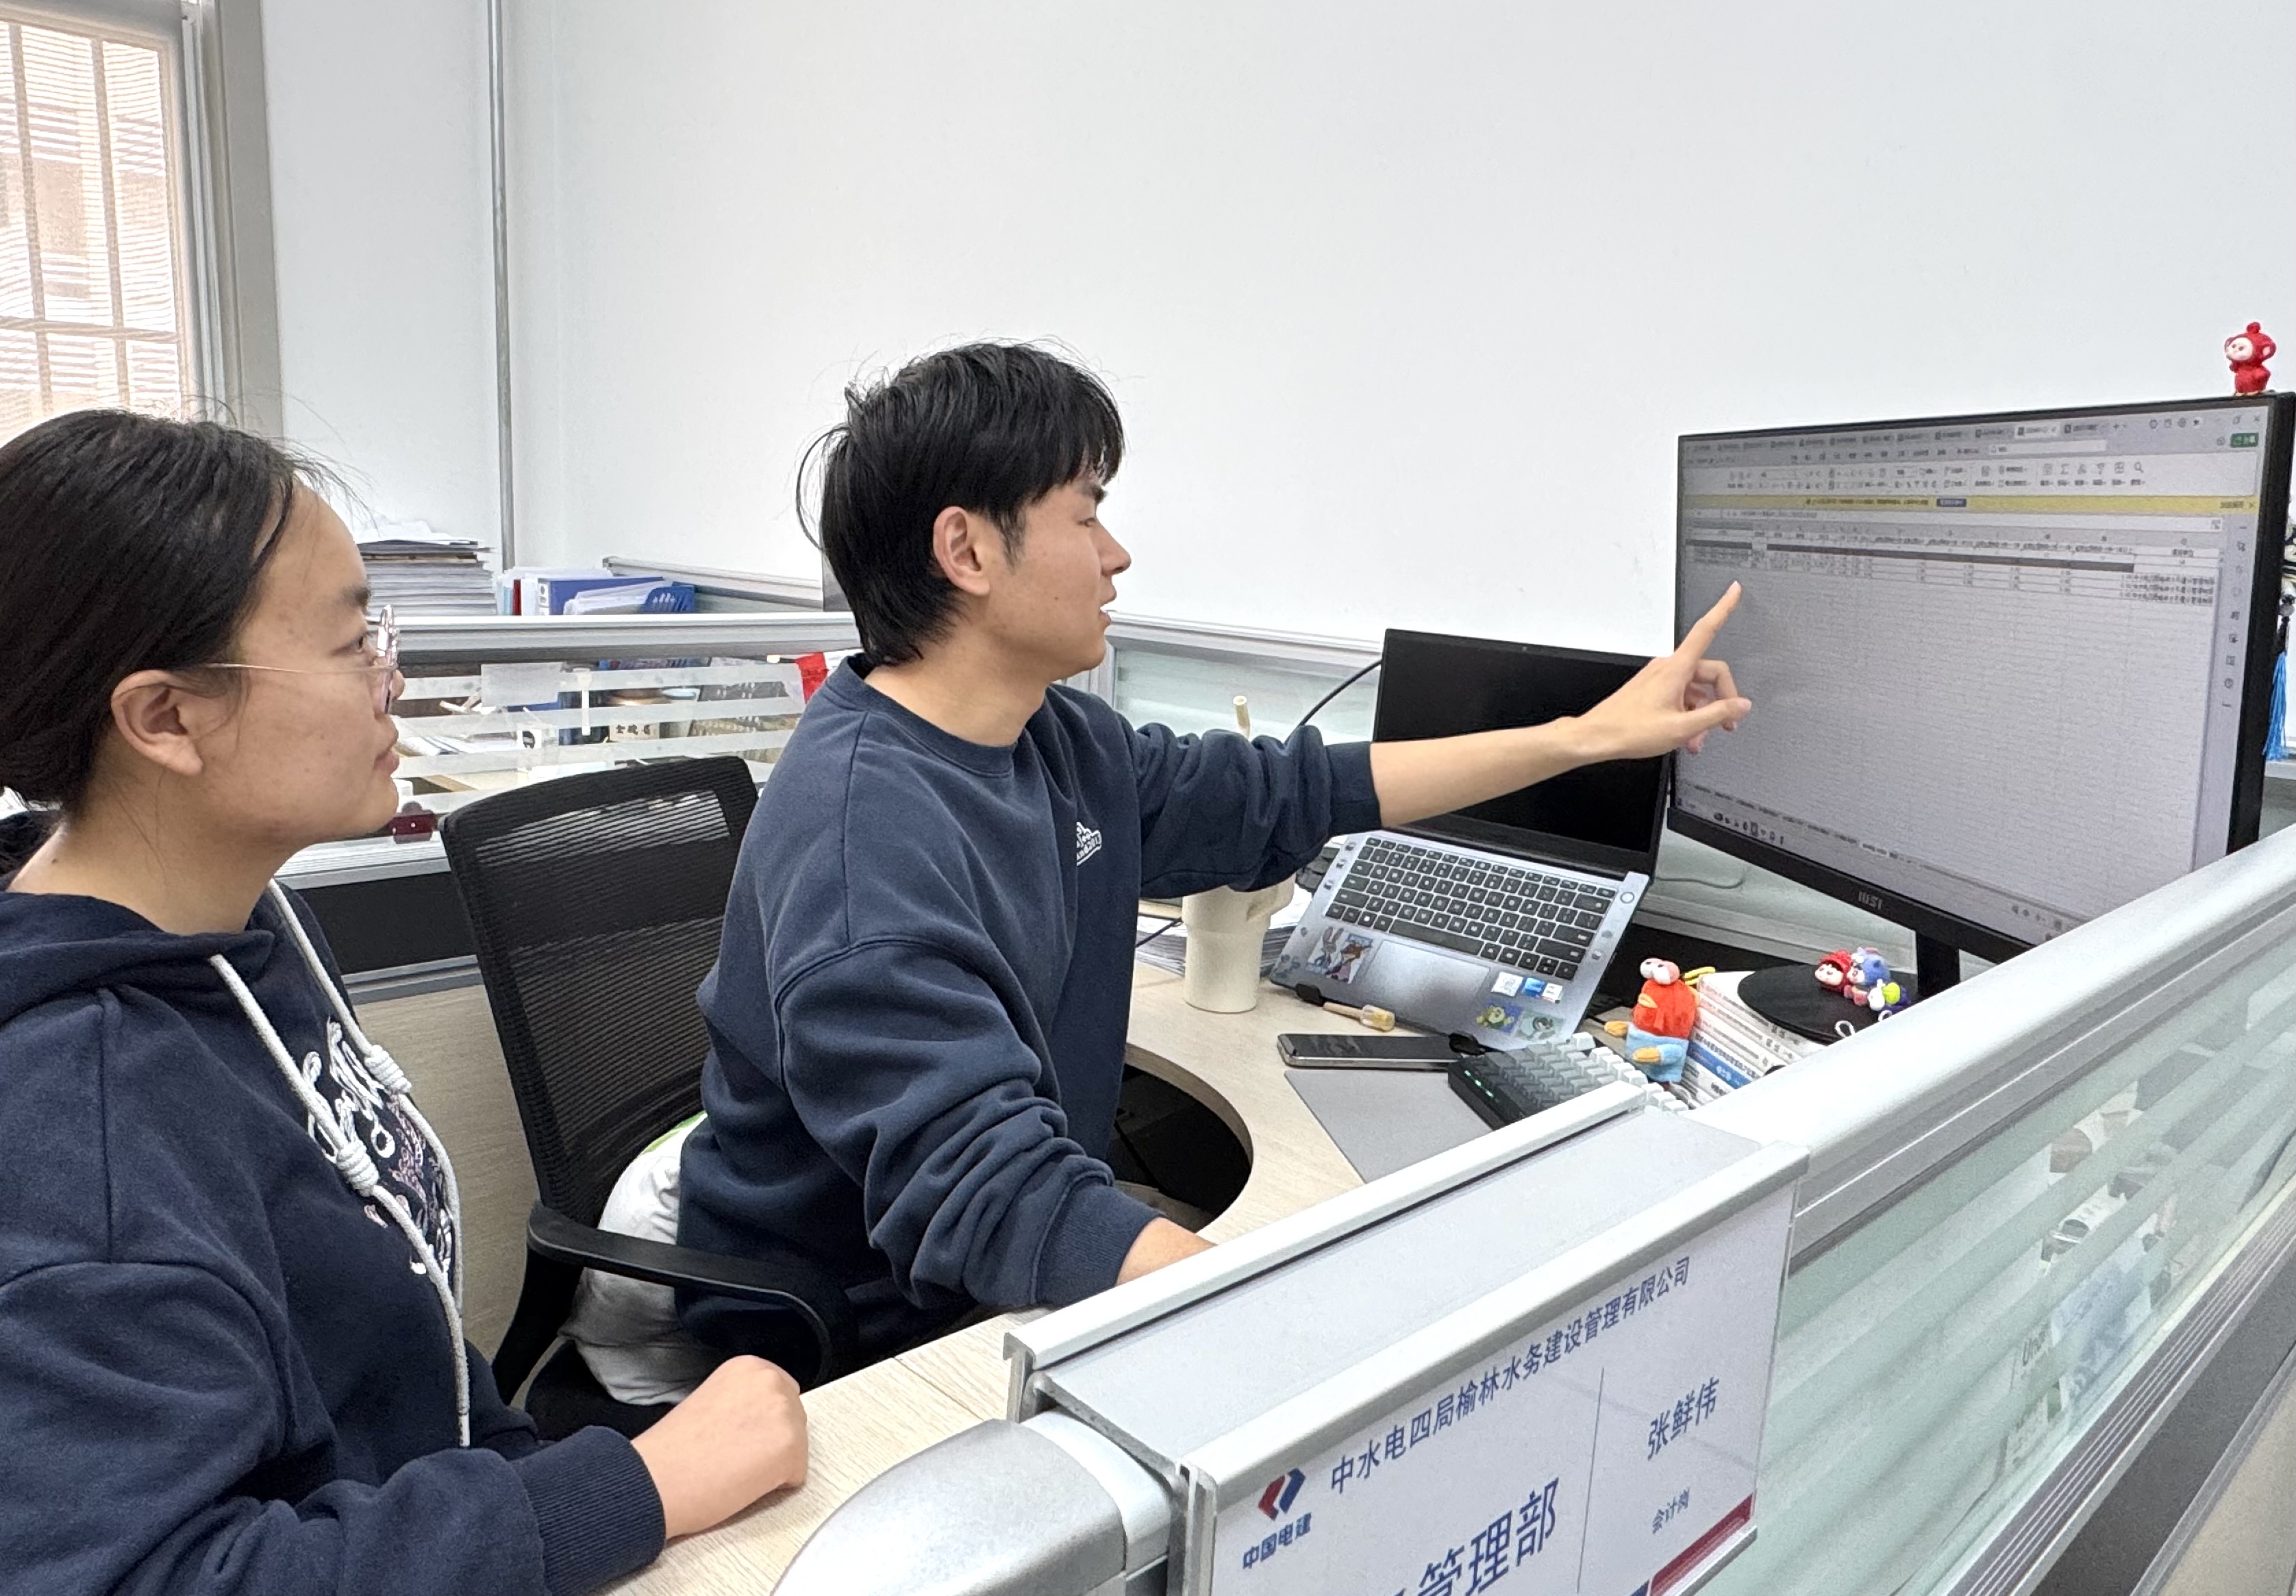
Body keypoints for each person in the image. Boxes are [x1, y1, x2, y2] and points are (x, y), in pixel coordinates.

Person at [0, 412, 808, 1596]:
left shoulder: (225, 928)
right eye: (347, 638)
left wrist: (554, 1495)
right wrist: (623, 1488)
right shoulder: (74, 1108)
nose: (394, 674)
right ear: (164, 718)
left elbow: (370, 1313)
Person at [570, 343, 1749, 1395]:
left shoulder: (1052, 739)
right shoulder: (864, 835)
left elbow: (1288, 794)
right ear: (966, 549)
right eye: (1086, 515)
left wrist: (1587, 737)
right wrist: (1299, 1339)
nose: (1116, 555)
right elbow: (990, 1197)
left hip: (969, 1264)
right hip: (846, 1340)